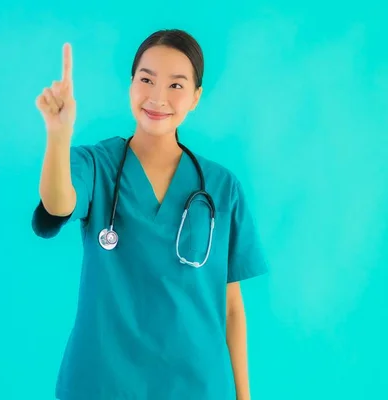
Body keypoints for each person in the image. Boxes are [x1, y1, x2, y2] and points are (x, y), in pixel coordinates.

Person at [32, 29, 268, 400]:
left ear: (195, 98)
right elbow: (58, 203)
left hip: (196, 386)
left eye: (176, 85)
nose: (157, 97)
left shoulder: (222, 187)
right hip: (101, 382)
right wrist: (58, 134)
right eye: (146, 79)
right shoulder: (96, 165)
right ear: (131, 84)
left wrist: (244, 395)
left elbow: (232, 307)